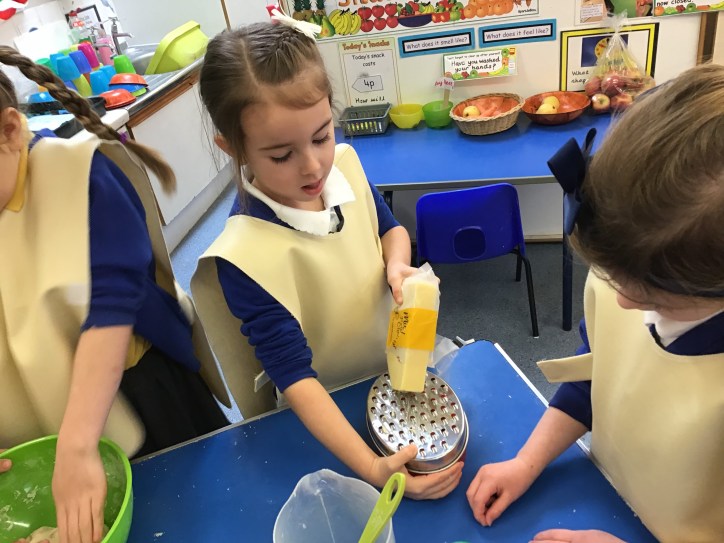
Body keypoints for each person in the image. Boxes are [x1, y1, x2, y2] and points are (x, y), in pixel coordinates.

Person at [190, 14, 463, 500]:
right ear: (233, 148)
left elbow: (389, 229)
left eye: (321, 135)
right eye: (281, 155)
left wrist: (396, 263)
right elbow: (295, 378)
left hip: (393, 368)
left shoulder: (344, 167)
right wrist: (372, 467)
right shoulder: (244, 256)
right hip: (328, 405)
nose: (314, 165)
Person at [466, 63, 724, 542]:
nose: (622, 302)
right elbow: (593, 382)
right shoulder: (622, 283)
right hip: (609, 495)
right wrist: (526, 462)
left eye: (653, 295)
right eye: (612, 277)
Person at [0, 46, 230, 543]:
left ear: (10, 131)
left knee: (194, 514)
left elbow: (112, 305)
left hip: (137, 395)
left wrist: (77, 446)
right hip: (37, 416)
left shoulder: (79, 177)